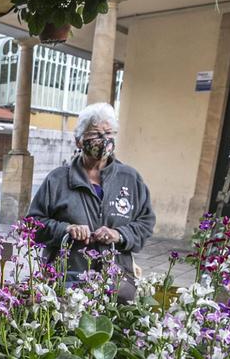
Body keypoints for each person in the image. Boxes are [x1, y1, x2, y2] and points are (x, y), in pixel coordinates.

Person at [25, 102, 155, 298]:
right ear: (79, 140)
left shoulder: (130, 178)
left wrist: (119, 234)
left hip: (116, 282)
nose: (104, 140)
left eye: (109, 133)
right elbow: (32, 225)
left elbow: (146, 223)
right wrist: (66, 229)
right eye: (95, 134)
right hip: (68, 278)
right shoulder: (58, 180)